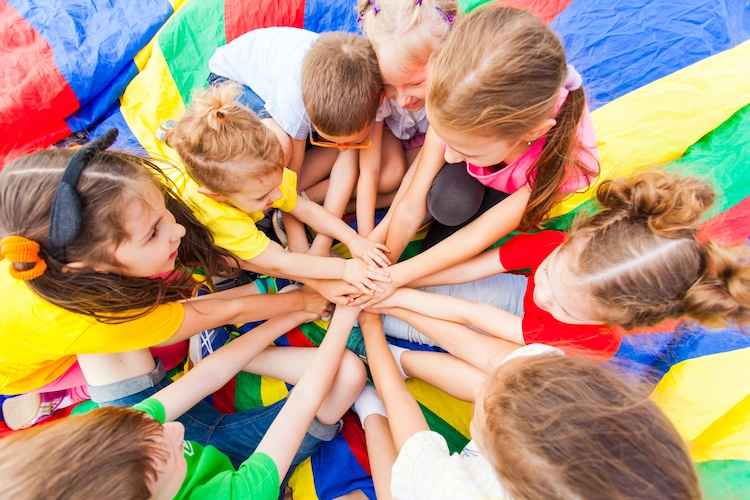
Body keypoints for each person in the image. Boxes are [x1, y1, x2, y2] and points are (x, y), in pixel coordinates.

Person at [0, 131, 357, 470]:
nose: (178, 229)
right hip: (35, 361)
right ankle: (64, 392)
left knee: (175, 319)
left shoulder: (85, 230)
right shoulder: (89, 319)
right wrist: (302, 300)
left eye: (162, 214)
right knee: (169, 348)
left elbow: (219, 315)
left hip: (62, 333)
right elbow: (222, 311)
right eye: (153, 232)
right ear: (89, 266)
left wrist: (295, 288)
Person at [368, 171, 750, 389]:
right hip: (514, 305)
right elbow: (470, 270)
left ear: (613, 319)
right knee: (422, 296)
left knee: (495, 381)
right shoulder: (553, 248)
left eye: (564, 305)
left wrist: (393, 301)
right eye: (550, 272)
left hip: (526, 342)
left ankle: (400, 358)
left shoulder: (592, 340)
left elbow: (476, 316)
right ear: (575, 239)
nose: (546, 293)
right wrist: (405, 280)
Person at [356, 7, 599, 306]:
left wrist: (396, 279)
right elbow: (412, 199)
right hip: (493, 151)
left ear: (530, 133)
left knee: (441, 256)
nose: (453, 156)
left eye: (466, 150)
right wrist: (383, 263)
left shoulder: (560, 160)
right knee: (449, 203)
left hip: (516, 181)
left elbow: (477, 237)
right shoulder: (455, 97)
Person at [0, 306, 366, 500]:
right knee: (347, 373)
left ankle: (226, 344)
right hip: (240, 460)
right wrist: (344, 319)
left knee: (98, 323)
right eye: (171, 453)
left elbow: (207, 376)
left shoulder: (125, 442)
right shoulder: (237, 495)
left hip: (141, 449)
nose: (175, 429)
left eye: (157, 429)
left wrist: (294, 311)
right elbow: (304, 399)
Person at [356, 313, 702, 500]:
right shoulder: (557, 381)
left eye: (482, 401)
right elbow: (489, 356)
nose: (481, 389)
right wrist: (394, 307)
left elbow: (410, 431)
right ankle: (404, 359)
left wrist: (371, 330)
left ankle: (367, 408)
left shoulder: (456, 491)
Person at [164, 83, 392, 296]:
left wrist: (353, 240)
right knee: (231, 260)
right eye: (262, 197)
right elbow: (279, 262)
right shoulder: (222, 220)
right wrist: (344, 269)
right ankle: (171, 135)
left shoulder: (259, 174)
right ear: (218, 196)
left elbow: (307, 210)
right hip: (196, 232)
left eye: (277, 183)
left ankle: (173, 135)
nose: (276, 195)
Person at [204, 28, 404, 253]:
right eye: (331, 141)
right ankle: (281, 206)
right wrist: (297, 238)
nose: (342, 149)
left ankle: (301, 208)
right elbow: (291, 177)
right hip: (232, 85)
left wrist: (344, 242)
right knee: (281, 148)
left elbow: (350, 170)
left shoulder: (367, 94)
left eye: (349, 142)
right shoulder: (295, 98)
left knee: (373, 168)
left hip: (300, 103)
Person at [356, 0, 458, 236]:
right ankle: (307, 200)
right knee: (390, 174)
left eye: (415, 83)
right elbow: (368, 172)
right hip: (393, 131)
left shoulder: (449, 93)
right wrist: (365, 237)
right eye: (388, 85)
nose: (402, 100)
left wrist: (381, 232)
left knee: (421, 185)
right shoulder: (379, 95)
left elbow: (417, 180)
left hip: (423, 139)